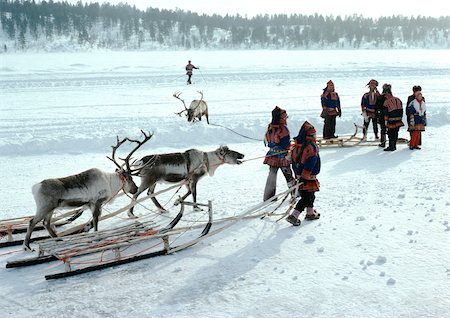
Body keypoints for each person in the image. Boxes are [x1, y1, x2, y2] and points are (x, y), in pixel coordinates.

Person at [286, 121, 321, 226]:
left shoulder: (297, 146)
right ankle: (294, 215)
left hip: (301, 175)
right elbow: (311, 162)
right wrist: (305, 175)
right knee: (306, 198)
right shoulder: (311, 147)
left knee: (311, 195)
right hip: (308, 176)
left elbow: (293, 161)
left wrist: (298, 174)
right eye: (313, 134)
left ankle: (310, 213)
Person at [263, 106, 294, 201]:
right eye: (285, 117)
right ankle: (295, 193)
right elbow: (285, 144)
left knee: (272, 176)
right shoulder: (283, 129)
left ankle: (269, 197)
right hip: (283, 156)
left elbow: (268, 141)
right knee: (288, 175)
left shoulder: (270, 127)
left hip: (272, 155)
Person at [382, 84, 404, 151]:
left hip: (391, 120)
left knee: (390, 133)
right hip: (398, 119)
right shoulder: (398, 99)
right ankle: (394, 145)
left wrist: (385, 121)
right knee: (396, 133)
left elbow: (385, 113)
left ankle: (391, 146)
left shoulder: (386, 102)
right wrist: (400, 118)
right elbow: (402, 110)